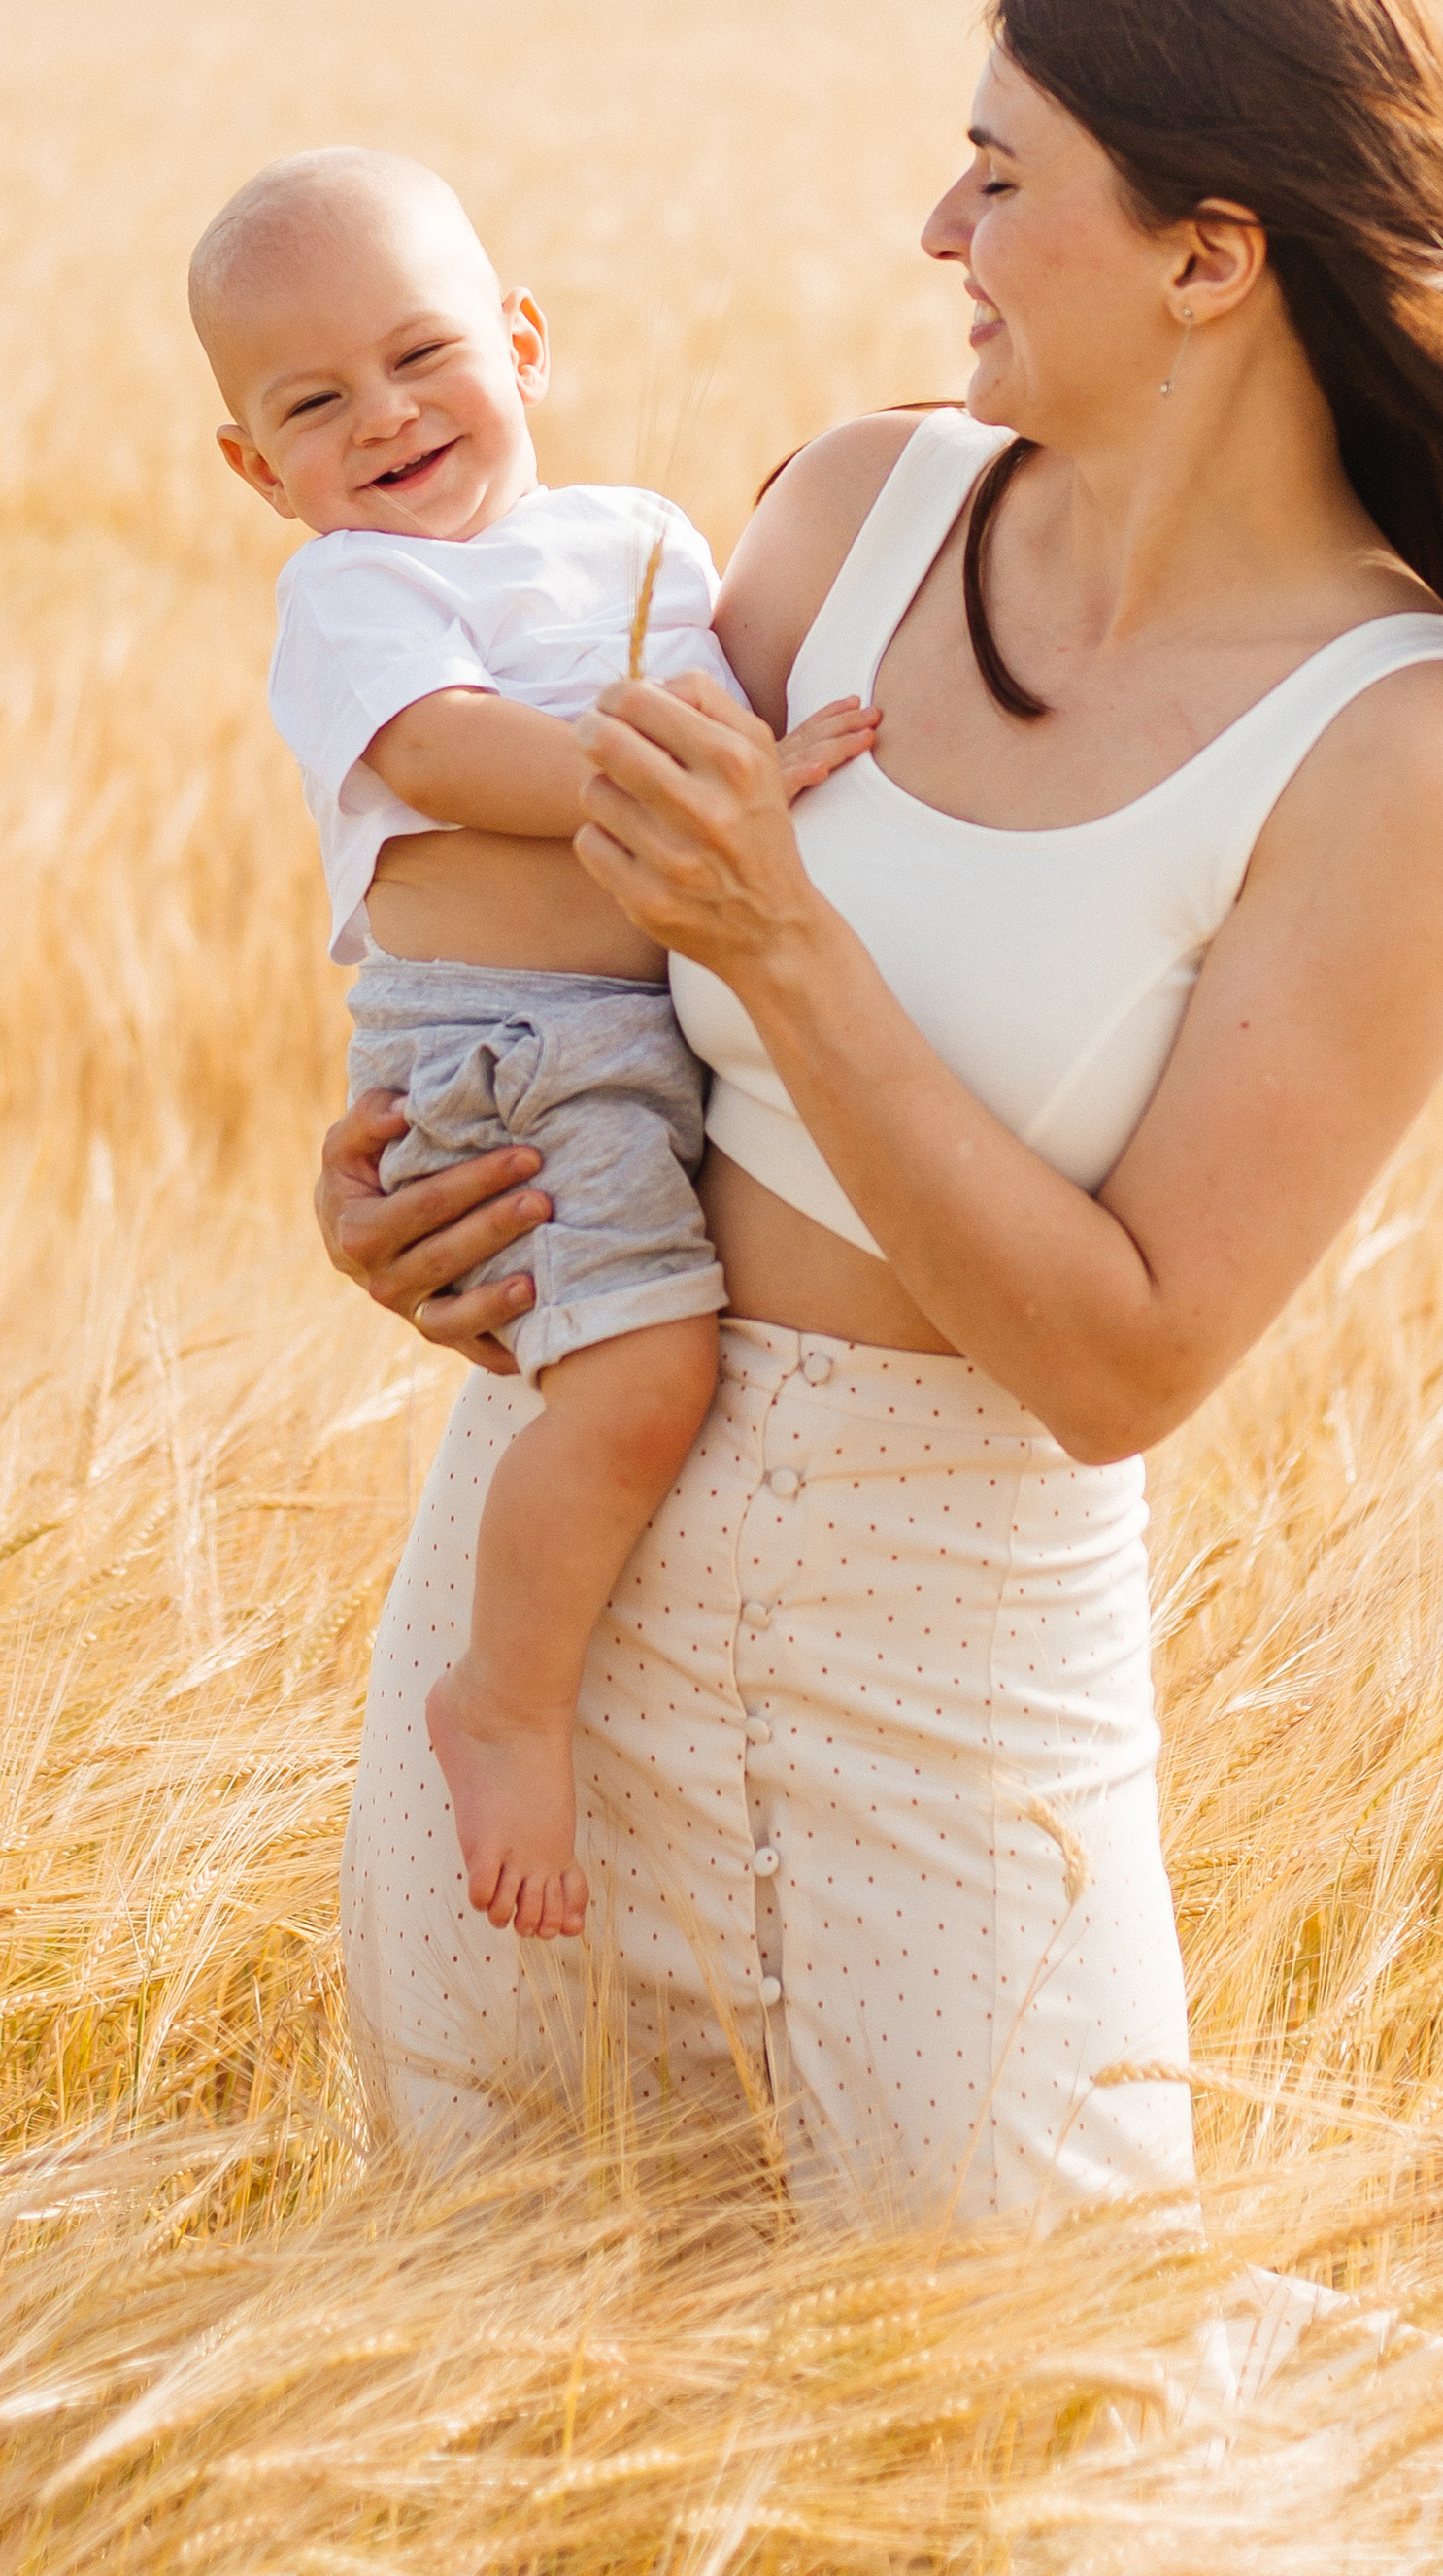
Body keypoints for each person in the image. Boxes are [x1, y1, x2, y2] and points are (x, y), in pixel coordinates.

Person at [313, 0, 1443, 2232]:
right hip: (531, 1624)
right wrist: (403, 1186)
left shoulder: (1398, 738)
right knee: (481, 2358)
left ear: (1207, 258)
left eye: (1002, 175)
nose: (941, 226)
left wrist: (790, 951)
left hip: (938, 1703)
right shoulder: (846, 511)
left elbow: (1126, 1361)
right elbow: (574, 950)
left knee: (1024, 2439)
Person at [189, 150, 878, 1942]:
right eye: (316, 405)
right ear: (260, 473)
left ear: (524, 343)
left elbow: (743, 712)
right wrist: (694, 797)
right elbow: (441, 757)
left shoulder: (643, 540)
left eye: (424, 355)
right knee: (642, 1380)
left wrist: (766, 770)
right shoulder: (357, 594)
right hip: (508, 1049)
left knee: (675, 1348)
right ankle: (505, 1693)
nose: (389, 417)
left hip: (644, 1031)